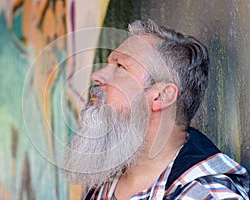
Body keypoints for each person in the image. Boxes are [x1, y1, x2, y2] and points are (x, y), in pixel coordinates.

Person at [62, 19, 250, 199]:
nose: (97, 75)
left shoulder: (205, 195)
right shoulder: (108, 179)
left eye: (120, 66)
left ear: (162, 96)